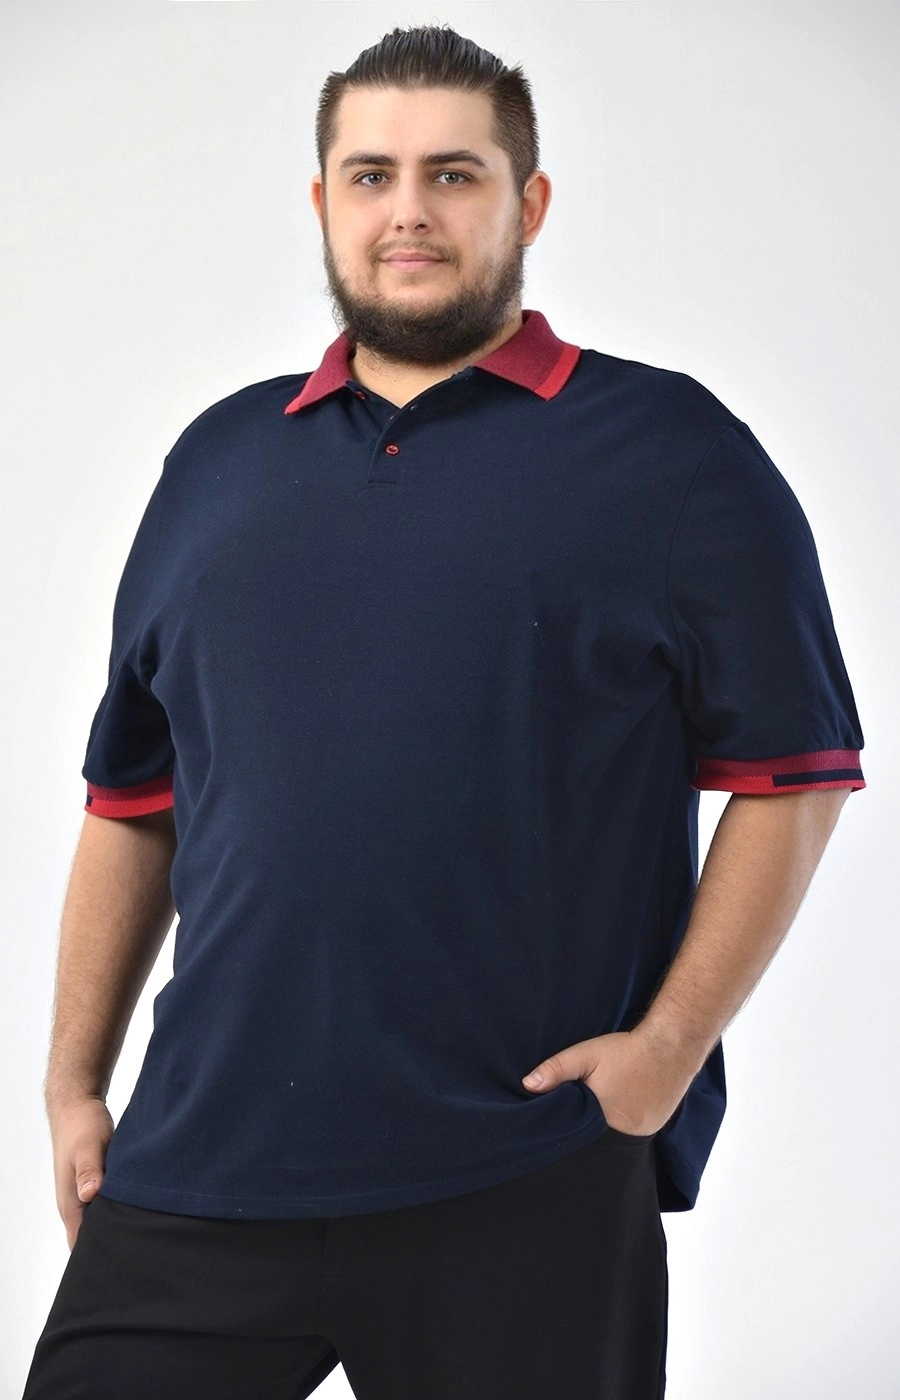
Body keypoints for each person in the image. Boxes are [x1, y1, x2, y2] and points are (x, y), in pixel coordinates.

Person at [22, 22, 865, 1400]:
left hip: (521, 1167)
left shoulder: (674, 453)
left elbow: (799, 777)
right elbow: (132, 804)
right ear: (323, 203)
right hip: (201, 1162)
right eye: (371, 175)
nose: (407, 208)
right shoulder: (217, 461)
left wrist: (665, 1054)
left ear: (528, 202)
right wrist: (72, 1083)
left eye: (453, 173)